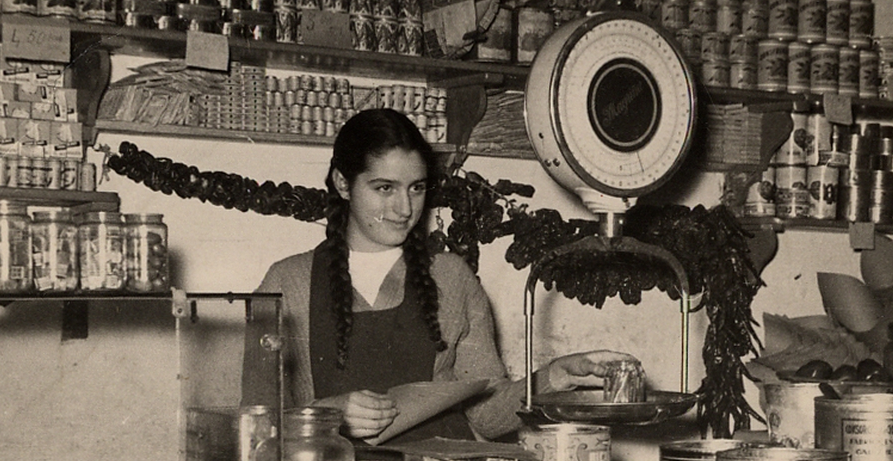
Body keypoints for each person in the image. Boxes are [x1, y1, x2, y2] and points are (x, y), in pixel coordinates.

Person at [243, 108, 633, 443]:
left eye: (416, 188)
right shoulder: (288, 283)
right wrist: (328, 413)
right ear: (343, 183)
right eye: (384, 188)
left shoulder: (450, 277)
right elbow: (254, 423)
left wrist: (555, 376)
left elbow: (486, 415)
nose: (403, 208)